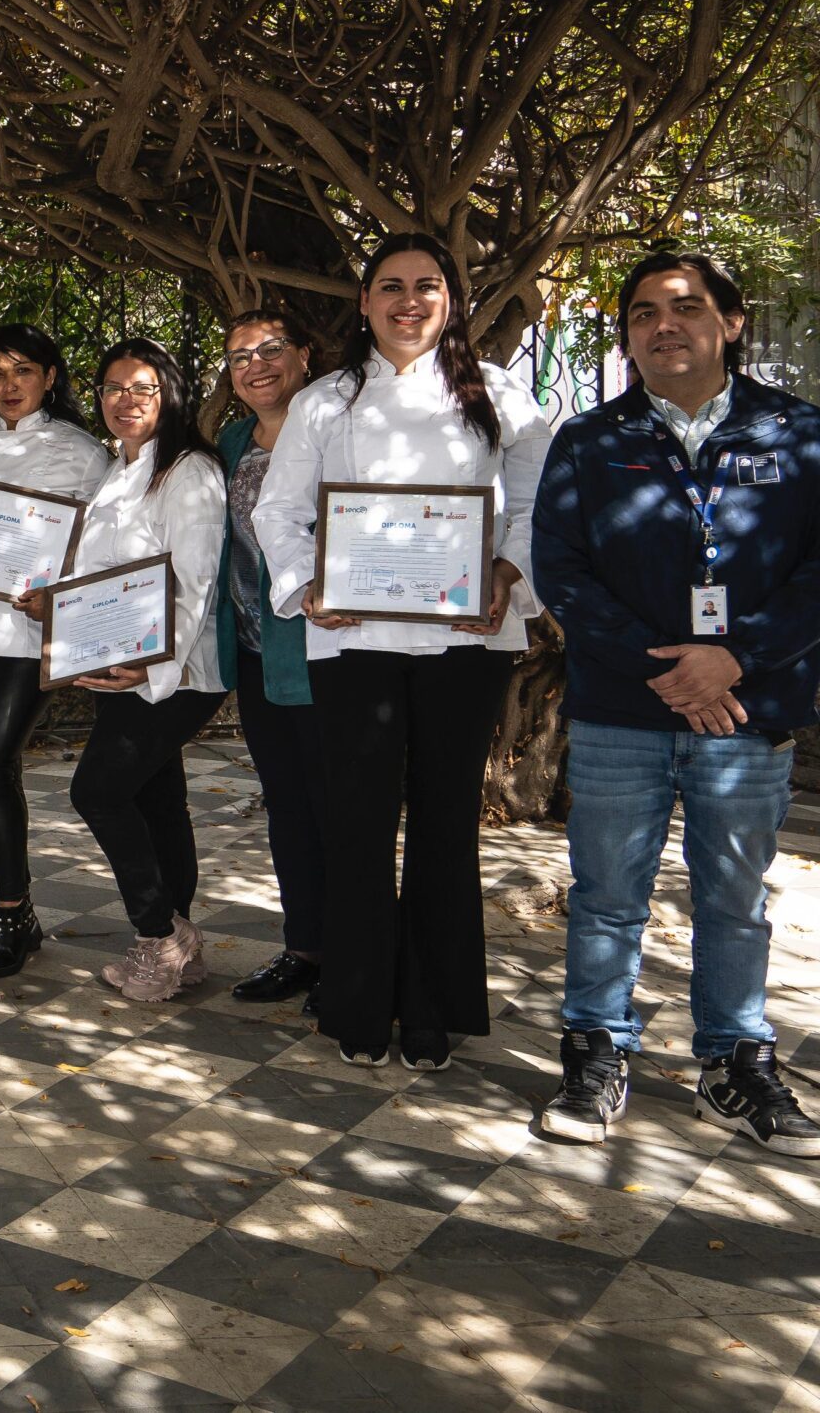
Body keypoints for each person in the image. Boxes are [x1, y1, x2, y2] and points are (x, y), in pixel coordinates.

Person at [532, 251, 820, 1155]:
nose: (666, 324)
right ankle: (596, 1056)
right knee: (607, 895)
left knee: (734, 898)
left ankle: (736, 1064)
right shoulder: (588, 440)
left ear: (730, 323)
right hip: (623, 710)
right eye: (645, 311)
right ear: (625, 335)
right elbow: (561, 574)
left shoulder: (799, 434)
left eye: (688, 307)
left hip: (747, 709)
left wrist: (734, 659)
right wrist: (666, 670)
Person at [254, 232, 553, 1070]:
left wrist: (507, 566)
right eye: (390, 285)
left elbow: (537, 496)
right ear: (364, 302)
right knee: (358, 821)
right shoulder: (325, 401)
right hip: (354, 637)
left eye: (427, 285)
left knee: (446, 822)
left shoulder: (500, 395)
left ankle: (432, 1006)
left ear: (452, 300)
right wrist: (304, 584)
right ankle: (358, 1002)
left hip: (467, 633)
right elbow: (279, 513)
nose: (408, 300)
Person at [52, 340, 230, 1003]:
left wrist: (146, 663)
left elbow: (196, 580)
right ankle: (182, 946)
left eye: (142, 388)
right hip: (116, 663)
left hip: (174, 669)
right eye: (113, 388)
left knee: (95, 792)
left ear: (170, 395)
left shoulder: (189, 471)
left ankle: (158, 935)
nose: (125, 401)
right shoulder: (117, 471)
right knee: (156, 800)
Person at [0, 324, 110, 974]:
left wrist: (65, 598)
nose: (10, 387)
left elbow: (103, 545)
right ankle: (16, 914)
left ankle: (12, 912)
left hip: (32, 637)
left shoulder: (83, 453)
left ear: (51, 377)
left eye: (24, 372)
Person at [212, 310, 327, 1009]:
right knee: (287, 807)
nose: (255, 364)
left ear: (306, 356)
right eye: (238, 356)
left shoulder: (336, 433)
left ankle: (356, 954)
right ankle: (305, 947)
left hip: (328, 650)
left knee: (337, 807)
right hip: (258, 654)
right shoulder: (229, 442)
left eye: (271, 349)